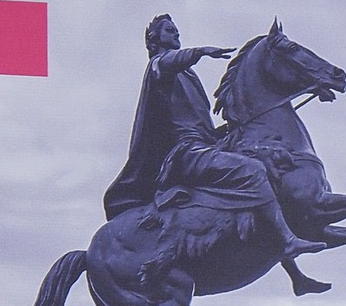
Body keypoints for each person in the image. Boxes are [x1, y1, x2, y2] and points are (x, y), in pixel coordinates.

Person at [103, 14, 323, 262]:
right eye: (169, 30)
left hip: (203, 146)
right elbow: (168, 63)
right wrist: (200, 51)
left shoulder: (187, 75)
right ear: (155, 39)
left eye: (176, 30)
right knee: (252, 170)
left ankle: (294, 272)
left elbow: (198, 124)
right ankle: (287, 241)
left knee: (266, 161)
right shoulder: (159, 67)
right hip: (186, 153)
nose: (176, 34)